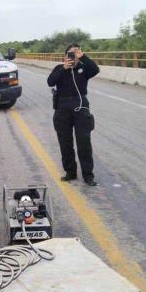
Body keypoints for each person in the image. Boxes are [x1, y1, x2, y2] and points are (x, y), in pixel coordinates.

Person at [47, 44, 100, 186]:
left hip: (80, 105)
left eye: (76, 53)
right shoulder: (59, 68)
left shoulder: (84, 68)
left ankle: (88, 175)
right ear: (65, 56)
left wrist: (83, 56)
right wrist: (64, 68)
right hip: (62, 107)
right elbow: (50, 81)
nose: (73, 56)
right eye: (70, 54)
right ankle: (70, 172)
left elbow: (96, 70)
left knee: (84, 142)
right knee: (65, 142)